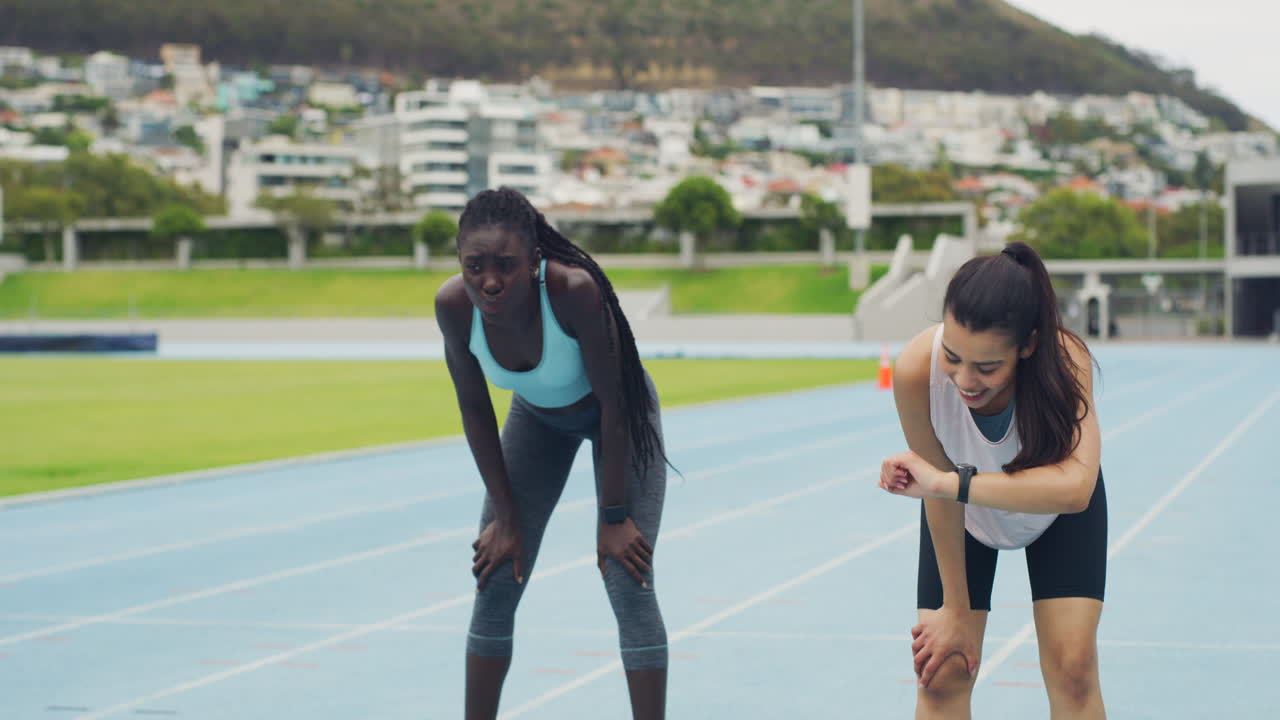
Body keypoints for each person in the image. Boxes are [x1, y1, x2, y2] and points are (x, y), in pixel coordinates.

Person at [434, 187, 669, 720]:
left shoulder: (572, 291)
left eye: (506, 266)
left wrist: (613, 517)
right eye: (475, 266)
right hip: (538, 420)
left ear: (534, 259)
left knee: (625, 576)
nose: (489, 281)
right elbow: (476, 412)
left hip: (620, 418)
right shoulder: (453, 307)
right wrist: (506, 519)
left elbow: (613, 406)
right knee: (496, 576)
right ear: (460, 263)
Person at [878, 241, 1107, 719]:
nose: (964, 379)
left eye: (986, 367)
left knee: (1073, 666)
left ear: (1028, 345)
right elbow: (937, 497)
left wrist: (948, 483)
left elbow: (1075, 490)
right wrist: (956, 611)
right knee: (942, 672)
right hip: (960, 515)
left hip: (1055, 512)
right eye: (955, 356)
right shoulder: (916, 369)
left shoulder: (1067, 363)